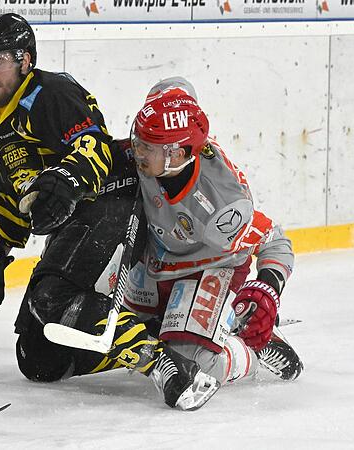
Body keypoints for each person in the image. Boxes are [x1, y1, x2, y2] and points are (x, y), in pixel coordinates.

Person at [0, 14, 219, 411]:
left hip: (111, 198)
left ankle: (162, 363)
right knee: (40, 358)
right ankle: (156, 327)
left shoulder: (52, 93)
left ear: (25, 60)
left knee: (53, 298)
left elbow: (95, 147)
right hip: (74, 223)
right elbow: (12, 200)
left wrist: (66, 179)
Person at [123, 77, 303, 398]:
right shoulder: (165, 134)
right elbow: (178, 87)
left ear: (177, 154)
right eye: (139, 140)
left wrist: (268, 288)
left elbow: (275, 241)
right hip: (160, 259)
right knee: (139, 330)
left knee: (190, 360)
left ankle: (249, 348)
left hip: (210, 268)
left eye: (147, 146)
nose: (136, 150)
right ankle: (218, 323)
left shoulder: (221, 203)